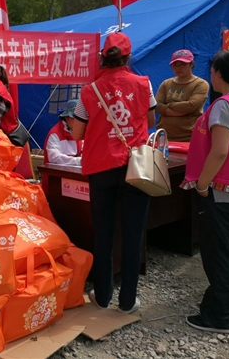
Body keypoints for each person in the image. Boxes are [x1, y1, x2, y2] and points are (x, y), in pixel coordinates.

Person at [71, 32, 156, 314]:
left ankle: (103, 295)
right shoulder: (144, 84)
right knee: (133, 235)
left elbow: (78, 133)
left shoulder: (88, 91)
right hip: (135, 167)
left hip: (101, 168)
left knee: (103, 233)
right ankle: (128, 301)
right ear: (128, 57)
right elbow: (151, 119)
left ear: (101, 58)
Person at [182, 49, 229, 334]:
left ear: (219, 74)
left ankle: (219, 315)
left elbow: (219, 151)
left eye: (213, 70)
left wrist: (203, 184)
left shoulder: (224, 105)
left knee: (219, 253)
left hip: (222, 190)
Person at [155, 49, 209, 141]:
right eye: (175, 65)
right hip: (164, 135)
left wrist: (168, 105)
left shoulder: (200, 84)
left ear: (191, 64)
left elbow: (191, 105)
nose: (178, 68)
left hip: (188, 136)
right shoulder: (166, 83)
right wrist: (177, 110)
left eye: (183, 64)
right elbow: (157, 105)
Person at [43, 99, 83, 167]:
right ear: (66, 117)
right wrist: (79, 161)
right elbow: (54, 157)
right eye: (75, 118)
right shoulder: (55, 134)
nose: (79, 122)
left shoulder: (80, 133)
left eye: (80, 119)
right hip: (56, 173)